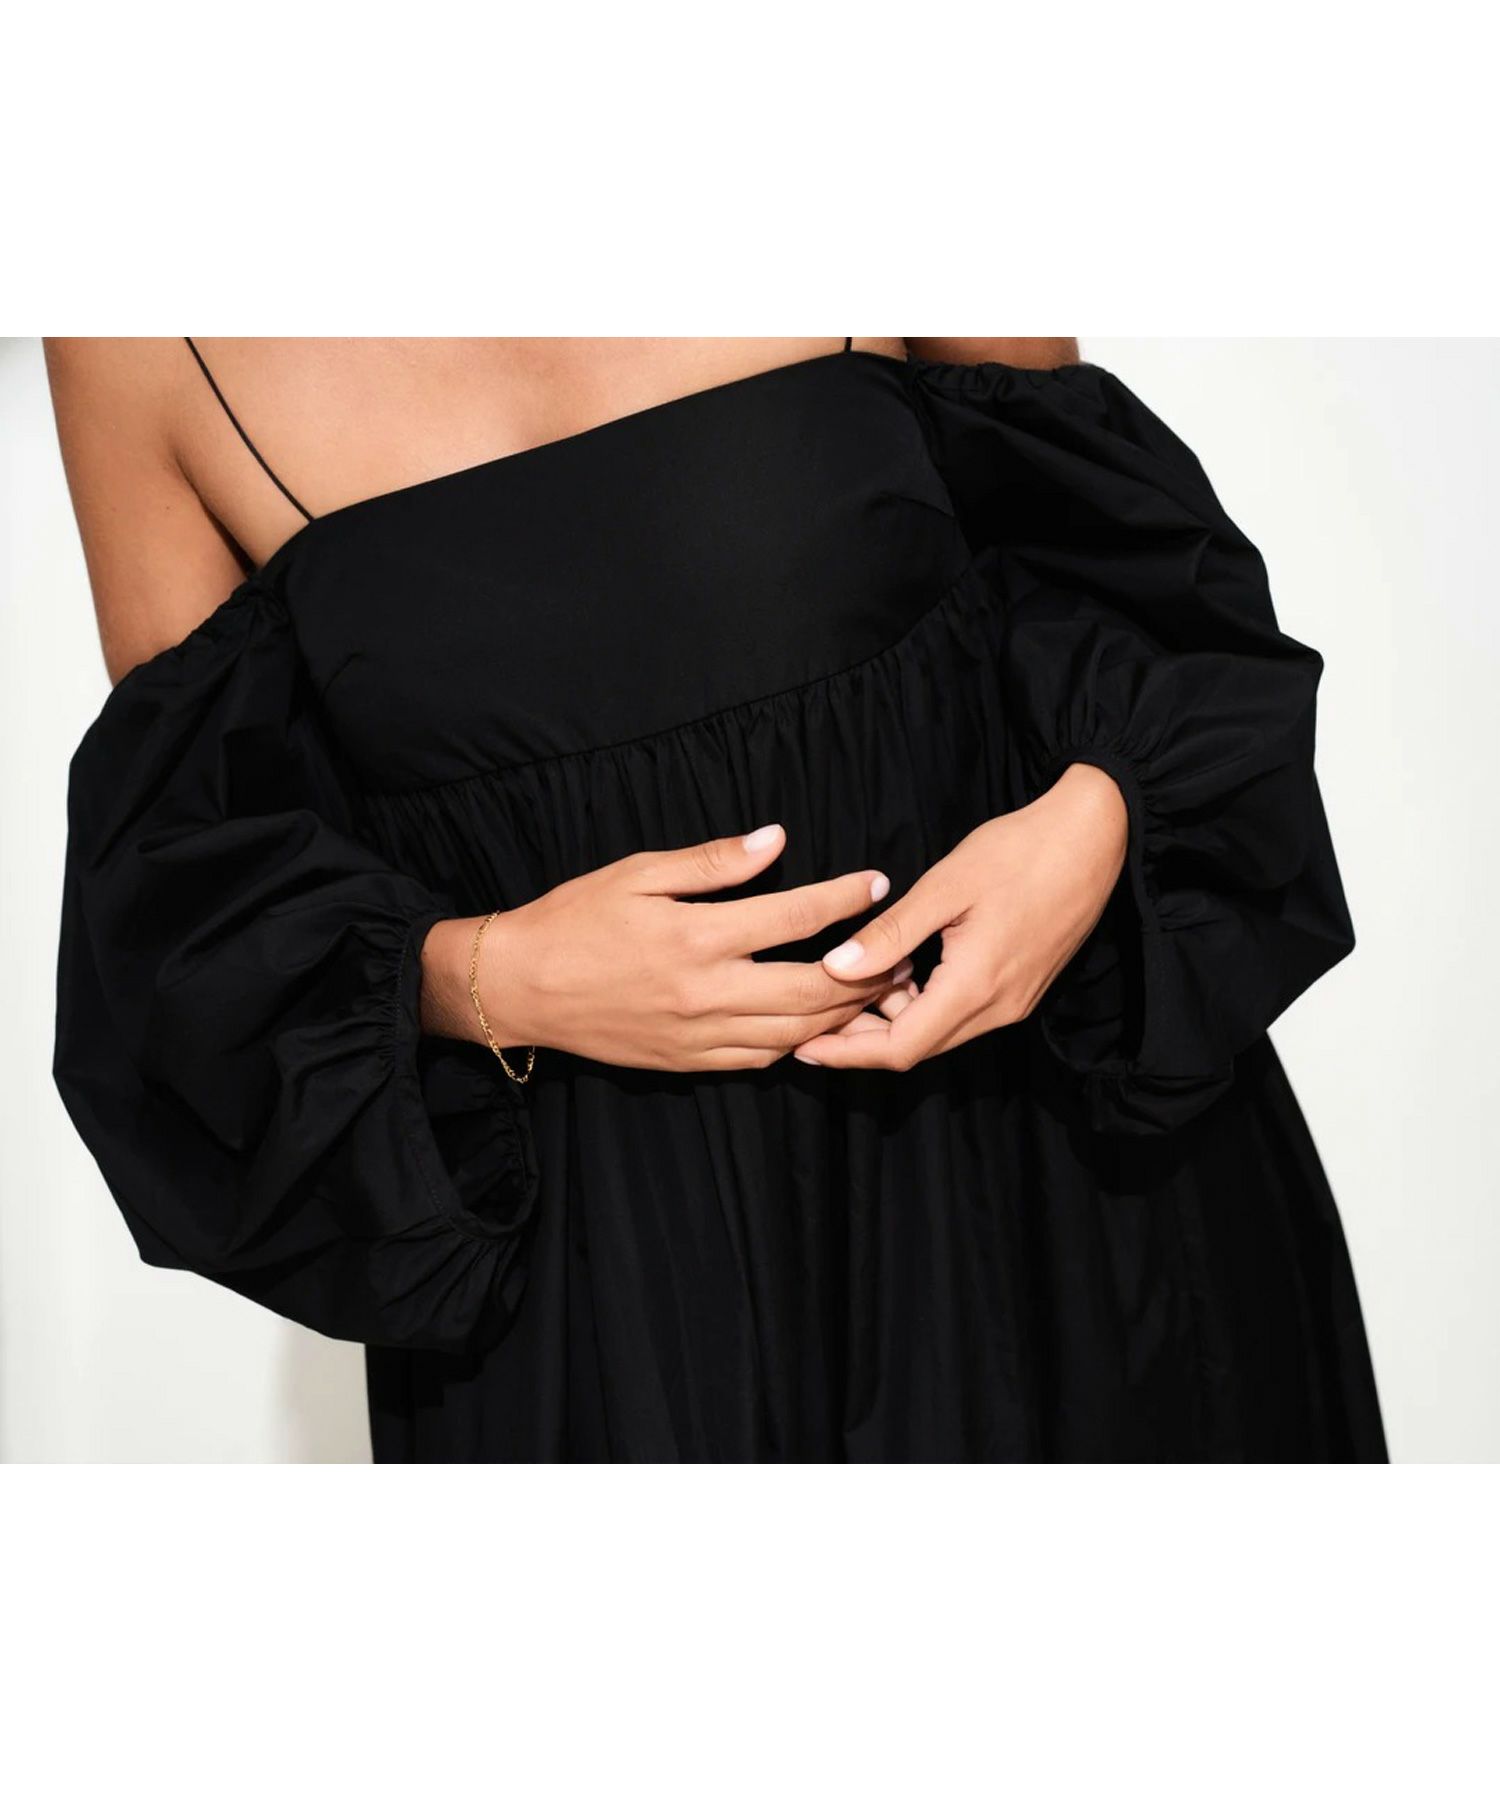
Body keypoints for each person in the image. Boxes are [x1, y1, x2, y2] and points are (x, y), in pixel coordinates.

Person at [46, 335, 1387, 1461]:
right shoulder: (136, 340)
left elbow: (1110, 547)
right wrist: (491, 976)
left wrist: (1091, 823)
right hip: (609, 1292)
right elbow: (195, 909)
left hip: (1048, 1172)